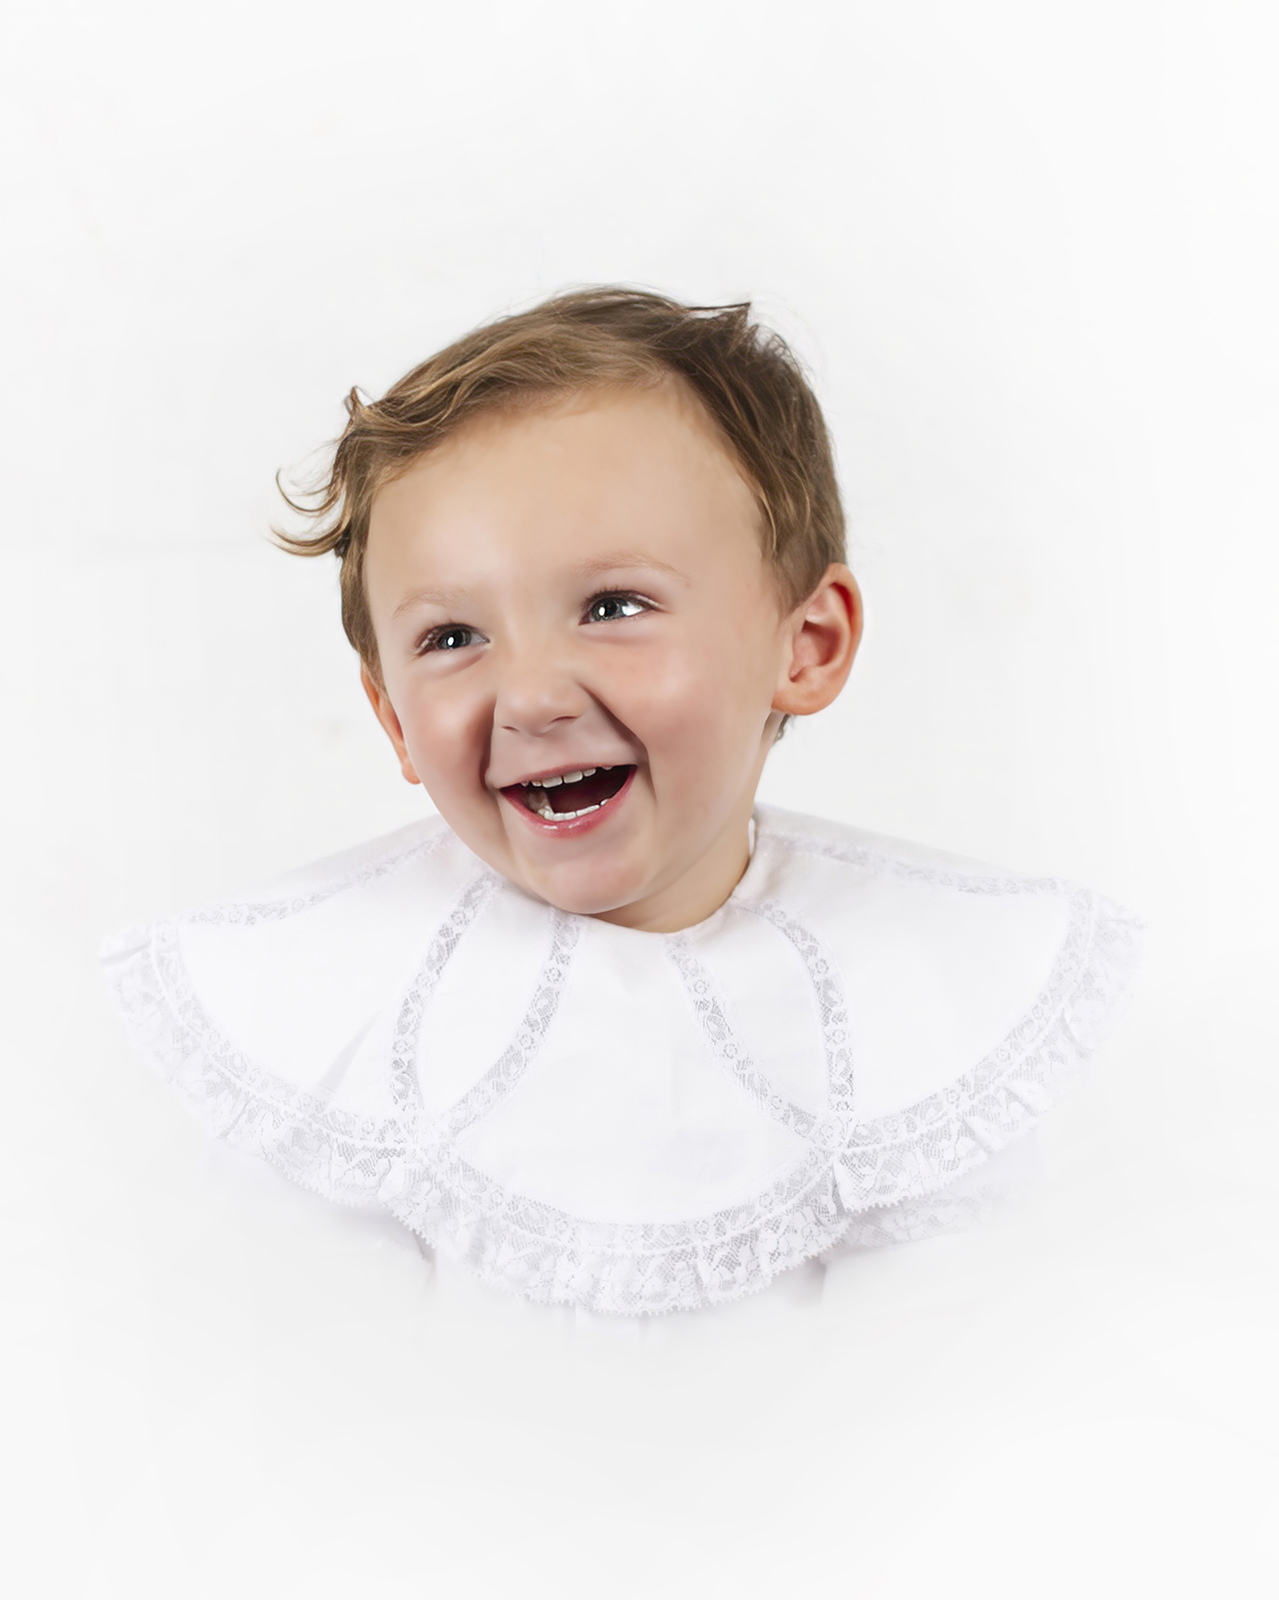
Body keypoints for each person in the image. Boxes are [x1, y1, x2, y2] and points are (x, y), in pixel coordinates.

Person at [100, 287, 1139, 1319]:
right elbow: (280, 1371)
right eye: (452, 637)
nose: (535, 695)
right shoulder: (329, 1014)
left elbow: (973, 1367)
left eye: (613, 607)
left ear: (805, 645)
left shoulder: (938, 995)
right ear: (391, 719)